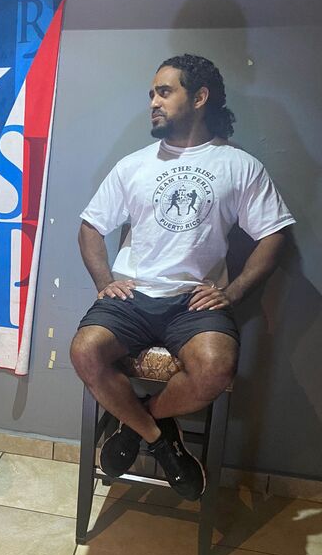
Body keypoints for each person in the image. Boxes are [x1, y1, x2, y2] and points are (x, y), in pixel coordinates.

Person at [70, 54, 295, 501]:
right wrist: (103, 282)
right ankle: (161, 439)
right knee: (84, 352)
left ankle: (137, 426)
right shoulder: (133, 165)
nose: (153, 101)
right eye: (152, 93)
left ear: (200, 97)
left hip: (193, 301)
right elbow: (91, 226)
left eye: (165, 91)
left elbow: (274, 234)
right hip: (131, 296)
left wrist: (233, 290)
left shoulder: (238, 166)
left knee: (216, 369)